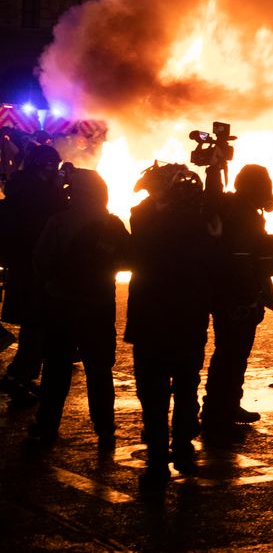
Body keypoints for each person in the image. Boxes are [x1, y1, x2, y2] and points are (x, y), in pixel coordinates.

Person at [126, 162, 220, 490]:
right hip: (189, 320)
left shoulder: (145, 219)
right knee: (185, 387)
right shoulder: (203, 223)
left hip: (151, 321)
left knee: (152, 393)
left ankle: (157, 460)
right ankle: (182, 448)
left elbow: (139, 228)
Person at [28, 169, 129, 449]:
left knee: (56, 369)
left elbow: (41, 259)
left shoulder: (59, 222)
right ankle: (105, 427)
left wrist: (52, 283)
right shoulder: (112, 224)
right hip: (98, 306)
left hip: (61, 305)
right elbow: (128, 260)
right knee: (99, 370)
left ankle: (47, 425)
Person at [202, 164, 273, 435]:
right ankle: (219, 409)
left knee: (229, 354)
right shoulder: (244, 213)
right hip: (238, 298)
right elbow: (242, 253)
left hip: (227, 296)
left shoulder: (235, 207)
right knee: (232, 354)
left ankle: (224, 405)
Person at [0, 143, 67, 406]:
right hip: (36, 266)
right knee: (37, 324)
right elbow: (54, 218)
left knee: (34, 324)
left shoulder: (21, 189)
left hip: (23, 264)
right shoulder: (39, 195)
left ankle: (22, 375)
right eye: (53, 167)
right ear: (44, 167)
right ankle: (20, 377)